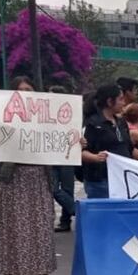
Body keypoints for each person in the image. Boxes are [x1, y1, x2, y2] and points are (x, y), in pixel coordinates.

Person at [0, 77, 57, 275]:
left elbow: (61, 143)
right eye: (19, 90)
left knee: (42, 235)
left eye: (28, 90)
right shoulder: (1, 118)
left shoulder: (47, 120)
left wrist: (77, 142)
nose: (24, 94)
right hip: (12, 181)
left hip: (40, 181)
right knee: (11, 236)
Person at [81, 84, 137, 199]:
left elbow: (129, 149)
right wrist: (95, 157)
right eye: (120, 99)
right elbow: (81, 152)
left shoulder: (121, 122)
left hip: (122, 178)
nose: (124, 103)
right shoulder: (92, 124)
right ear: (110, 101)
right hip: (101, 181)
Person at [47, 85, 76, 232]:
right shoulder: (43, 115)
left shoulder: (70, 113)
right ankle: (75, 208)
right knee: (52, 188)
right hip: (51, 156)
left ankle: (65, 221)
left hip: (67, 156)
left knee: (67, 189)